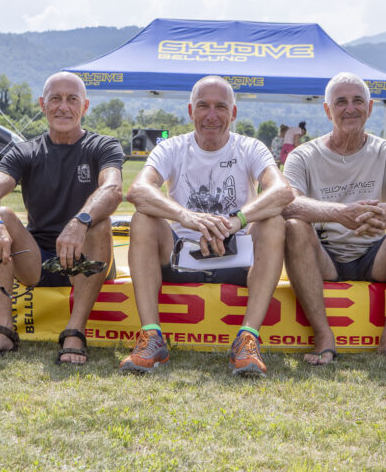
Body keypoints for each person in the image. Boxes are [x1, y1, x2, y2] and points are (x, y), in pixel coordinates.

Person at [120, 75, 293, 376]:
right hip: (182, 251)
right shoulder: (172, 147)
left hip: (237, 251)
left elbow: (283, 191)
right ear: (191, 111)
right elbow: (137, 190)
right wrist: (187, 217)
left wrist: (233, 221)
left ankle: (247, 338)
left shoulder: (249, 147)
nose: (211, 115)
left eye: (220, 107)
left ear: (233, 113)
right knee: (143, 218)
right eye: (203, 106)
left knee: (274, 221)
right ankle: (151, 336)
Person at [0, 72, 124, 364]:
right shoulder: (25, 151)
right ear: (43, 104)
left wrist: (80, 222)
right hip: (37, 262)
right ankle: (2, 329)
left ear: (85, 106)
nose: (63, 106)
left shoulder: (103, 146)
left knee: (99, 221)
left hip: (87, 259)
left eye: (72, 99)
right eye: (55, 99)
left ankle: (75, 331)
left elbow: (113, 188)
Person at [283, 73, 386, 365]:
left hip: (376, 255)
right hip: (323, 255)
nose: (350, 108)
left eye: (357, 101)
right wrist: (340, 213)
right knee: (294, 227)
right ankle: (324, 337)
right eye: (341, 102)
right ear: (327, 110)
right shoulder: (303, 156)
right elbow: (289, 205)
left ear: (370, 107)